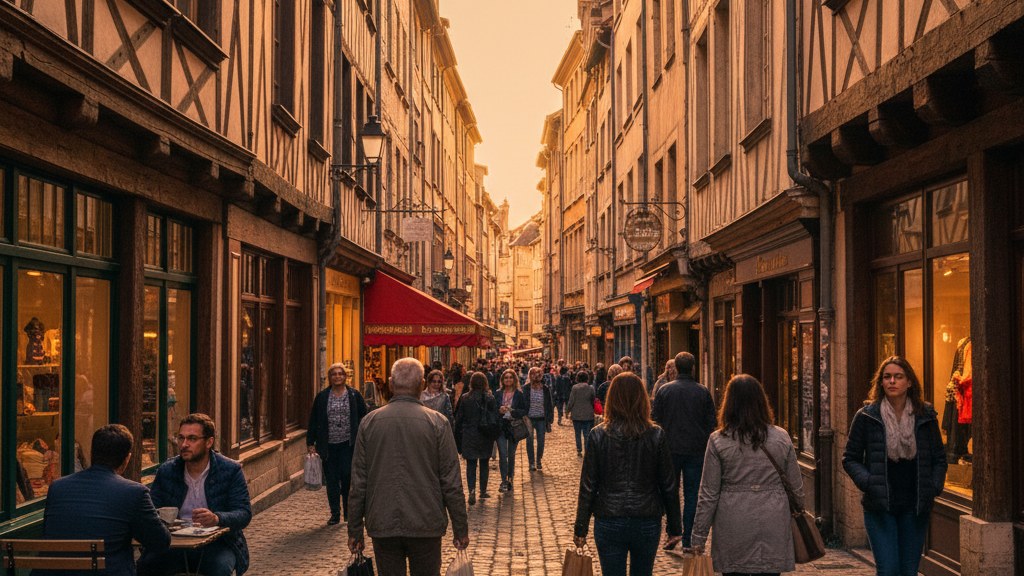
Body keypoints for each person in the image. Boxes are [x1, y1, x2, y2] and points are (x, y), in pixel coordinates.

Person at [348, 357, 470, 576]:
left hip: (383, 521)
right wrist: (460, 528)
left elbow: (358, 482)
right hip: (425, 521)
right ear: (422, 384)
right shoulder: (438, 423)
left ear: (391, 384)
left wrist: (354, 530)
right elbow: (451, 482)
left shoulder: (369, 422)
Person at [843, 356, 947, 576]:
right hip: (880, 505)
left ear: (909, 382)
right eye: (887, 377)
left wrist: (934, 486)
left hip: (914, 505)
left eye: (898, 377)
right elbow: (850, 458)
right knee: (889, 569)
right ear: (881, 382)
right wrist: (869, 482)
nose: (892, 381)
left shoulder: (925, 416)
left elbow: (939, 457)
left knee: (909, 571)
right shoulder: (867, 416)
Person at [690, 374, 804, 576]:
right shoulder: (781, 437)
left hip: (733, 524)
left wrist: (698, 537)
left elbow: (708, 494)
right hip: (772, 520)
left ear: (729, 404)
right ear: (762, 402)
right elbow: (797, 488)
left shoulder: (718, 441)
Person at [574, 373, 682, 576]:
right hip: (646, 518)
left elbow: (588, 486)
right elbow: (669, 485)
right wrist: (675, 526)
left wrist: (581, 528)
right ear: (642, 399)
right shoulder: (656, 435)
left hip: (609, 518)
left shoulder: (598, 435)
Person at [42, 424, 170, 576]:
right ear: (127, 459)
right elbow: (160, 542)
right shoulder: (134, 492)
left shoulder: (58, 487)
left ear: (92, 453)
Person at [139, 414, 252, 576]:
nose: (184, 444)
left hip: (217, 544)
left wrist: (217, 518)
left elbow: (244, 514)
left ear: (209, 442)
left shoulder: (230, 470)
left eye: (192, 439)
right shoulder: (167, 470)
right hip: (173, 543)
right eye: (181, 438)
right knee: (146, 566)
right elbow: (151, 510)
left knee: (219, 568)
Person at [651, 351, 716, 548]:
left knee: (670, 491)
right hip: (696, 450)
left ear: (676, 369)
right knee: (692, 494)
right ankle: (688, 538)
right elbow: (711, 422)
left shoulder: (664, 391)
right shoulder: (703, 392)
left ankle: (673, 532)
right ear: (693, 368)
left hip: (670, 449)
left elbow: (655, 420)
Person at [307, 362, 369, 525]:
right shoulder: (322, 397)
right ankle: (335, 513)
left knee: (348, 478)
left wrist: (363, 437)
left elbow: (364, 416)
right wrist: (310, 442)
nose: (337, 377)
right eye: (334, 374)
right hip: (328, 446)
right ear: (330, 378)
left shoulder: (354, 395)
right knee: (332, 481)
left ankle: (349, 513)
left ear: (345, 376)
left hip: (349, 445)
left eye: (340, 374)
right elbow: (314, 420)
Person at [454, 372, 498, 504]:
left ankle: (472, 490)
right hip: (485, 435)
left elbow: (459, 419)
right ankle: (483, 491)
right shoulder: (490, 398)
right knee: (484, 463)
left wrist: (458, 439)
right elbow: (494, 418)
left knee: (471, 465)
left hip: (469, 435)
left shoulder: (465, 398)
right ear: (485, 383)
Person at [495, 368, 528, 493]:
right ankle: (504, 480)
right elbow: (493, 409)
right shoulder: (498, 393)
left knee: (511, 455)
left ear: (514, 379)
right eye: (506, 377)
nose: (508, 379)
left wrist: (512, 411)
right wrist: (499, 410)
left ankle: (510, 478)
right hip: (501, 426)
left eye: (510, 377)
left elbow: (524, 410)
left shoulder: (519, 394)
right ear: (502, 380)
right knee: (503, 455)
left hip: (514, 426)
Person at [522, 365, 554, 471]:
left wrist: (550, 419)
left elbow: (549, 404)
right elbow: (522, 403)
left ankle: (539, 460)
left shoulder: (545, 389)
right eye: (534, 374)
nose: (536, 376)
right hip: (529, 418)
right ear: (530, 375)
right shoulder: (526, 388)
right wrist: (523, 416)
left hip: (541, 418)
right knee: (529, 440)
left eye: (538, 374)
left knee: (541, 441)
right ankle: (531, 462)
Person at [565, 370, 596, 457]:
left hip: (576, 415)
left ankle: (579, 449)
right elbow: (593, 400)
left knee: (577, 433)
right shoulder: (591, 388)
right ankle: (587, 449)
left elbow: (571, 401)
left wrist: (567, 411)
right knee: (586, 434)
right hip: (588, 415)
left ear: (577, 378)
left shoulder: (575, 388)